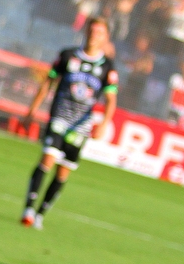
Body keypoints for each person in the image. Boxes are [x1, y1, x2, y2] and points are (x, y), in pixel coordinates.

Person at [21, 17, 118, 229]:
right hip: (60, 117)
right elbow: (49, 82)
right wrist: (32, 111)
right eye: (92, 31)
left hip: (81, 125)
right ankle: (28, 209)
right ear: (86, 31)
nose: (94, 36)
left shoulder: (107, 67)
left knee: (63, 172)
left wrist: (104, 123)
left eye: (99, 33)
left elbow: (111, 99)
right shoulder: (68, 55)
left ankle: (40, 214)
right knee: (47, 159)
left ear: (105, 38)